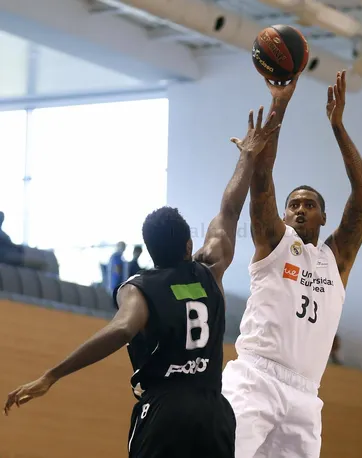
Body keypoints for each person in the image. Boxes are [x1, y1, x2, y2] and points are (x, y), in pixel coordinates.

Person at [3, 106, 282, 458]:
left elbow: (122, 329)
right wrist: (247, 157)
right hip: (214, 411)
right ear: (188, 246)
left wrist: (52, 375)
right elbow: (230, 209)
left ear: (149, 250)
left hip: (165, 410)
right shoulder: (210, 268)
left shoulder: (139, 288)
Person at [222, 70, 362, 458]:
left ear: (324, 217)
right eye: (293, 204)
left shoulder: (335, 260)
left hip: (306, 394)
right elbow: (262, 178)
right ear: (284, 215)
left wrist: (338, 126)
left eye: (309, 204)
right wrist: (281, 101)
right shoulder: (274, 243)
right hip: (256, 377)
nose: (300, 209)